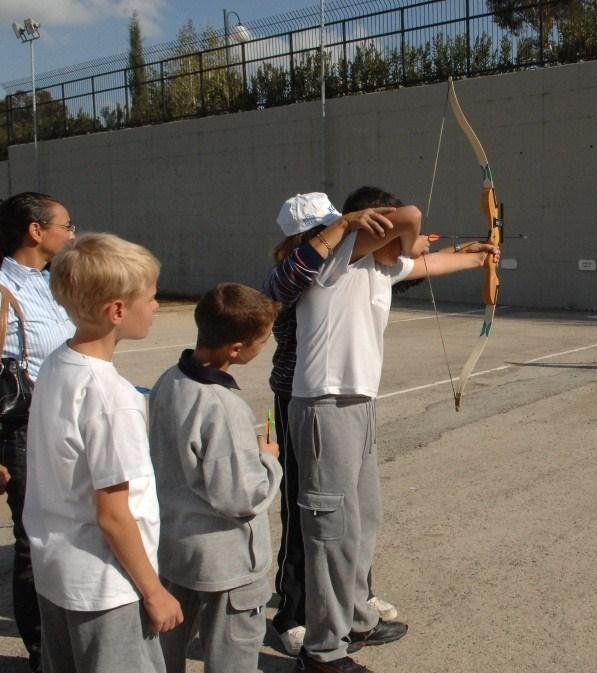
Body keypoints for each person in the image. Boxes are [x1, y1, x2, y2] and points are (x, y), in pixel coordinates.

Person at [289, 185, 500, 673]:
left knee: (364, 520)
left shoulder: (377, 268)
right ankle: (322, 652)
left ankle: (358, 618)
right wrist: (409, 238)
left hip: (358, 405)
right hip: (326, 405)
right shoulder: (334, 258)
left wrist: (475, 256)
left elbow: (431, 263)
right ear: (371, 223)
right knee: (331, 532)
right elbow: (411, 216)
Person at [23, 233, 183, 673]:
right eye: (151, 298)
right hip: (107, 585)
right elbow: (113, 513)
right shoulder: (112, 398)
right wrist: (154, 591)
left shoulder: (57, 363)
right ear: (117, 310)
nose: (154, 306)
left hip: (57, 571)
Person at [263, 193, 400, 656]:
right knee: (312, 518)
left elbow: (395, 270)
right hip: (300, 400)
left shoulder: (336, 261)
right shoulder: (298, 269)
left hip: (337, 399)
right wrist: (343, 226)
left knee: (349, 516)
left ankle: (348, 612)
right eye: (330, 227)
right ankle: (293, 612)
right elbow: (288, 280)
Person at [148, 282, 284, 673]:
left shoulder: (169, 380)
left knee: (165, 648)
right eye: (262, 341)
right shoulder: (224, 408)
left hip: (176, 547)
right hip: (227, 561)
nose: (264, 347)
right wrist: (268, 459)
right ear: (236, 349)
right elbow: (240, 496)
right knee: (232, 656)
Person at [0, 191, 77, 673]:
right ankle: (42, 653)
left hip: (67, 422)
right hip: (26, 428)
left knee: (71, 533)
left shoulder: (51, 283)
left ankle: (65, 640)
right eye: (65, 225)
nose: (71, 234)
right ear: (35, 230)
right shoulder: (2, 287)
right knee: (36, 542)